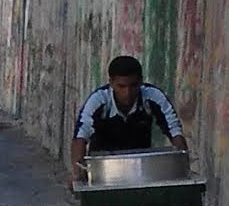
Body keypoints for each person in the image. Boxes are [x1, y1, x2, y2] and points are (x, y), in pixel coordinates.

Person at [68, 54, 186, 188]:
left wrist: (182, 164)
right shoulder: (97, 101)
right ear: (111, 83)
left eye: (133, 86)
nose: (127, 93)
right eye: (121, 87)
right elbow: (80, 137)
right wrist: (78, 174)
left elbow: (174, 130)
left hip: (141, 169)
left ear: (141, 82)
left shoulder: (154, 97)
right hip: (103, 170)